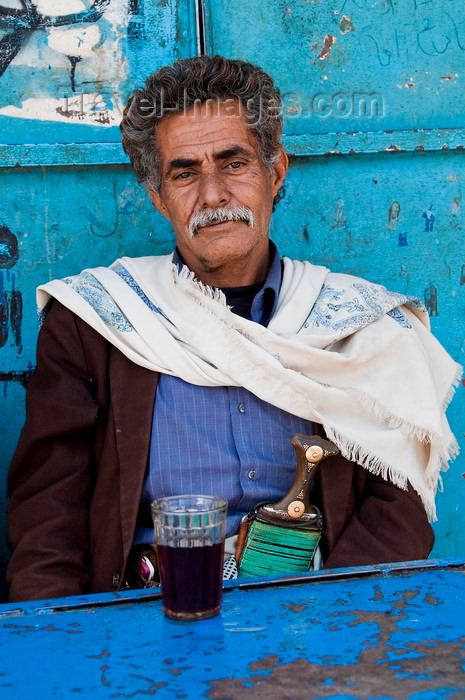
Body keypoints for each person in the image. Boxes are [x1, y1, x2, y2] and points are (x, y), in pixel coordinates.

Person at [6, 55, 460, 602]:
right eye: (184, 172)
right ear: (158, 197)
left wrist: (336, 618)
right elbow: (47, 512)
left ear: (275, 173)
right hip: (146, 612)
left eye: (233, 162)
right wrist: (56, 635)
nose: (213, 194)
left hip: (321, 610)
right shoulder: (99, 321)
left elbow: (398, 512)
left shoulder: (359, 324)